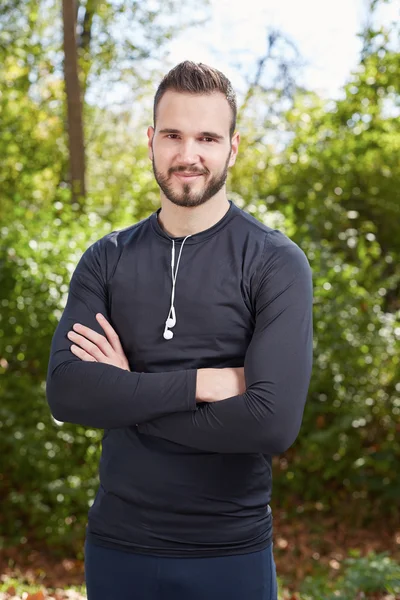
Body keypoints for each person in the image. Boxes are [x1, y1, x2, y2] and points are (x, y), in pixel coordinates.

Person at [46, 61, 313, 600]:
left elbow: (272, 424)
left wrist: (129, 394)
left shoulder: (275, 262)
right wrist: (202, 384)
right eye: (173, 135)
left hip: (229, 555)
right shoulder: (106, 259)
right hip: (118, 550)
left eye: (207, 137)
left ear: (232, 148)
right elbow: (69, 393)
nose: (188, 155)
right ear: (150, 140)